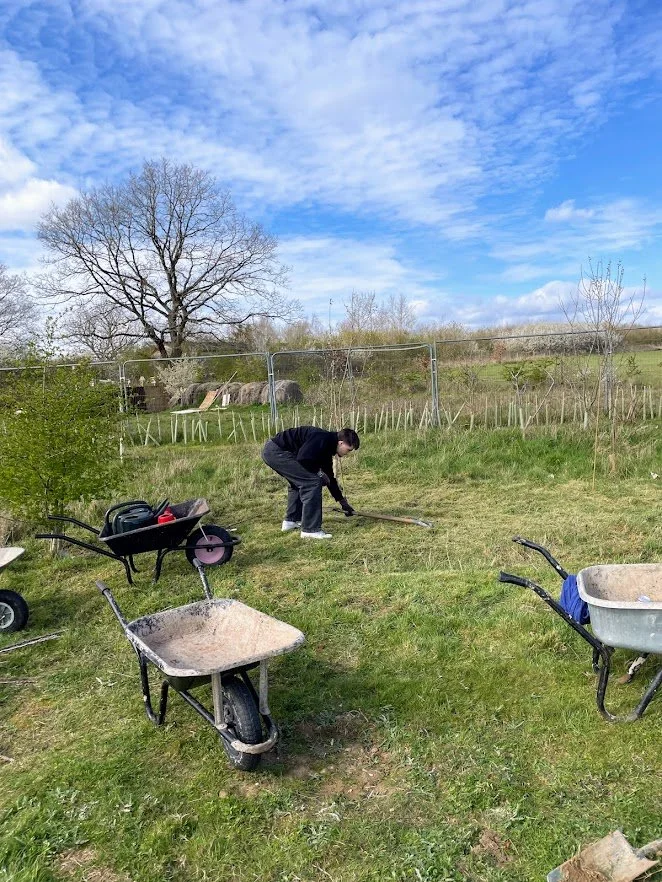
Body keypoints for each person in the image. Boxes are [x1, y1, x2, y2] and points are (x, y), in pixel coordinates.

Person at [262, 426, 359, 539]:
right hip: (276, 452)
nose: (348, 453)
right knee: (313, 482)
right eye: (349, 450)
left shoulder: (327, 446)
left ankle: (291, 521)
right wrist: (320, 474)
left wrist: (342, 502)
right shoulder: (322, 439)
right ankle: (310, 530)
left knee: (300, 482)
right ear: (341, 443)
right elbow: (303, 459)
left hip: (275, 451)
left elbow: (330, 478)